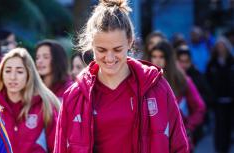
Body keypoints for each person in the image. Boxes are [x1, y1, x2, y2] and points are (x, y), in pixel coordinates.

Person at [53, 0, 189, 152]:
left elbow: (179, 146)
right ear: (91, 45)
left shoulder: (157, 87)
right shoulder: (75, 96)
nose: (110, 58)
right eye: (102, 50)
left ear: (130, 41)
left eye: (117, 49)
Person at [0, 48, 60, 153]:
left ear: (29, 74)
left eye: (19, 71)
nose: (13, 77)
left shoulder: (45, 104)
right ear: (1, 74)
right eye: (8, 71)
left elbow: (57, 147)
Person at [148, 41, 206, 149]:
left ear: (169, 59)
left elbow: (200, 107)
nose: (157, 60)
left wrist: (188, 127)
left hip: (178, 140)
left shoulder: (182, 80)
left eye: (161, 56)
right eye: (154, 56)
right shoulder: (146, 81)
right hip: (155, 141)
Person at [206, 37, 234, 153]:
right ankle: (219, 149)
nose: (221, 49)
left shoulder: (232, 62)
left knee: (228, 127)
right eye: (219, 46)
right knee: (218, 127)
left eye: (223, 46)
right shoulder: (212, 64)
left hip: (231, 100)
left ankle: (226, 147)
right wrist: (211, 97)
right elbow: (207, 82)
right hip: (217, 101)